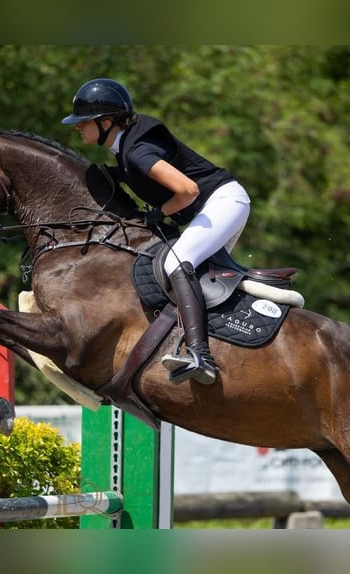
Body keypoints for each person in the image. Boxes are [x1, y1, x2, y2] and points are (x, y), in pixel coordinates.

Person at [61, 78, 250, 386]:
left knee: (177, 263)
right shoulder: (124, 150)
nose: (77, 127)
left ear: (106, 122)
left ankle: (200, 355)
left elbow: (187, 190)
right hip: (217, 205)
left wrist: (159, 214)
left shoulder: (137, 152)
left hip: (223, 202)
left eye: (83, 123)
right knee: (195, 276)